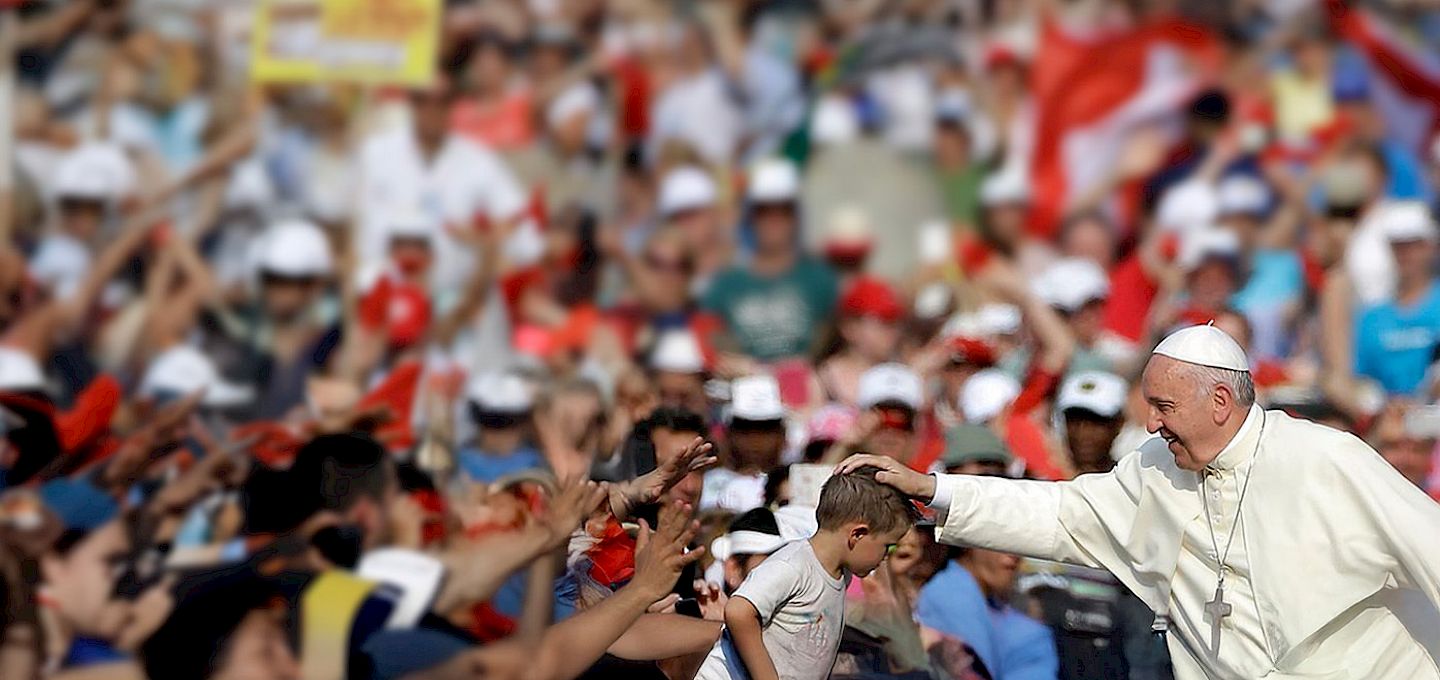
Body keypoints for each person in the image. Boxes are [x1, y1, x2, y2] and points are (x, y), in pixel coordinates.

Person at [841, 324, 1440, 678]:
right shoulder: (1156, 468)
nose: (1150, 424)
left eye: (1164, 407)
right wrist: (934, 488)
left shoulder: (1325, 459)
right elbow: (1060, 514)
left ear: (1220, 402)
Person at [695, 466, 919, 680]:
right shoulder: (793, 565)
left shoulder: (840, 575)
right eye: (887, 546)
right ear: (857, 534)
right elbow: (739, 610)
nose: (886, 556)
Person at [917, 543, 1058, 680]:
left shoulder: (1009, 616)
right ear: (969, 542)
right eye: (1000, 539)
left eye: (1020, 540)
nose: (1014, 554)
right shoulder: (950, 594)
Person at [1354, 202, 1440, 395]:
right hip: (1386, 410)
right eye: (1398, 246)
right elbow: (1360, 380)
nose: (1406, 254)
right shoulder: (1372, 317)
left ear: (1432, 247)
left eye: (1415, 245)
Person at [704, 375, 786, 513]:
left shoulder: (793, 483)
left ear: (782, 435)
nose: (755, 440)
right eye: (744, 429)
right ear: (729, 434)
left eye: (766, 429)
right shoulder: (710, 485)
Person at [457, 371, 544, 483]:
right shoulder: (460, 463)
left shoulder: (536, 465)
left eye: (510, 424)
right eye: (491, 423)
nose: (501, 436)